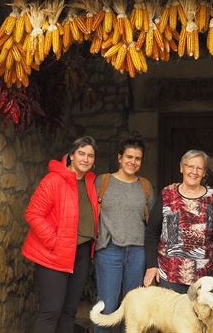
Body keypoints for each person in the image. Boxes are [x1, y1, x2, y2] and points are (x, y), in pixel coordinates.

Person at [22, 136, 99, 333]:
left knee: (69, 311)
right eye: (81, 153)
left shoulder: (91, 182)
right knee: (51, 311)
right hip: (52, 255)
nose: (85, 159)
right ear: (71, 156)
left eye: (90, 155)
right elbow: (33, 213)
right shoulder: (54, 180)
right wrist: (54, 241)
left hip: (81, 254)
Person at [93, 134, 155, 333]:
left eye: (137, 158)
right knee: (107, 307)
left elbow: (152, 224)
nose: (133, 162)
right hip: (109, 251)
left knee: (132, 311)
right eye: (129, 157)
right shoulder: (103, 181)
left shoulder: (145, 186)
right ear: (120, 158)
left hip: (137, 253)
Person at [144, 149, 213, 294]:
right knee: (169, 316)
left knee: (200, 316)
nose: (194, 171)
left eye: (199, 168)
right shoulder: (168, 193)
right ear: (181, 167)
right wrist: (151, 265)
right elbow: (151, 233)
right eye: (190, 166)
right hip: (169, 274)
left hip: (203, 279)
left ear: (204, 172)